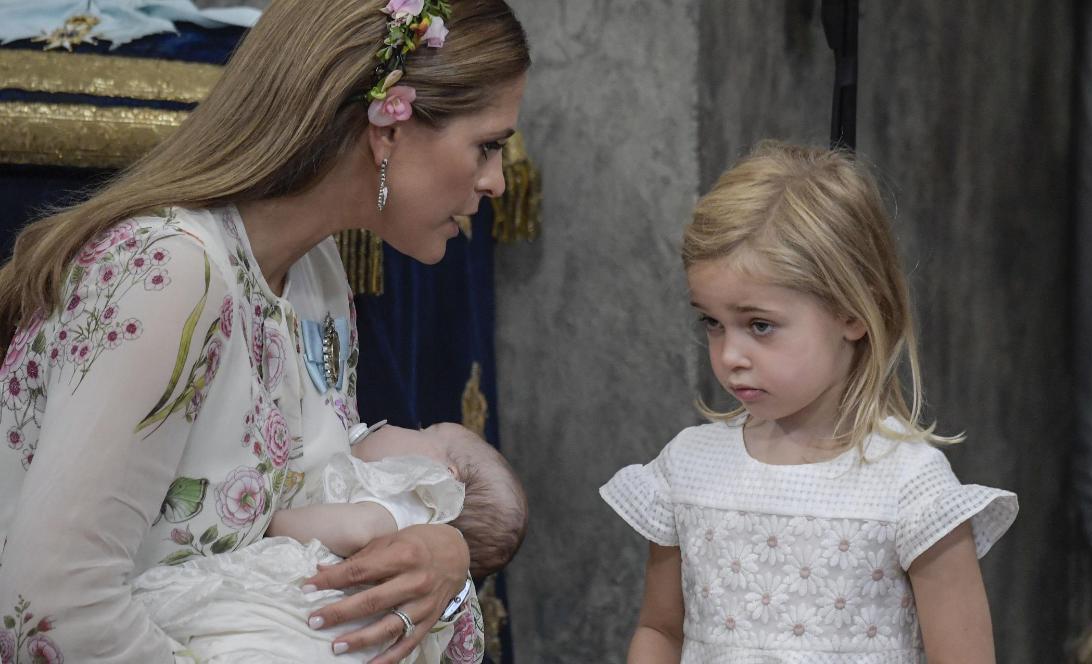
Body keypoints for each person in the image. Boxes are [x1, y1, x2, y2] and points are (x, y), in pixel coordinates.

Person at [0, 0, 529, 660]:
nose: (497, 182)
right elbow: (52, 613)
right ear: (388, 128)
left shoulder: (316, 272)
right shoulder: (169, 271)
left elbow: (299, 496)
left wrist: (439, 549)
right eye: (487, 145)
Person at [600, 142, 1019, 663]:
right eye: (711, 322)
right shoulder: (687, 469)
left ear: (853, 311)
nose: (730, 354)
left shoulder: (911, 488)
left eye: (760, 325)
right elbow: (661, 630)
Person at [131, 421, 528, 662]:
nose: (406, 427)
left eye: (425, 431)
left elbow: (359, 530)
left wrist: (276, 521)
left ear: (442, 473)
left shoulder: (414, 498)